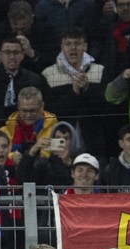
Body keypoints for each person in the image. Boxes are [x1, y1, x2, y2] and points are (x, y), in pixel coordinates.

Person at [41, 27, 108, 156]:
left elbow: (105, 110)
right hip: (58, 147)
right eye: (68, 44)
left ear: (85, 46)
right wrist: (73, 92)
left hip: (94, 147)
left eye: (77, 44)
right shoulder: (49, 74)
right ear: (62, 47)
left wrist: (88, 89)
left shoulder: (100, 71)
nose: (73, 48)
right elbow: (50, 113)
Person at [0, 86, 58, 159]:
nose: (28, 115)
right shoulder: (4, 132)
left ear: (42, 106)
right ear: (18, 106)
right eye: (24, 111)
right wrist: (12, 158)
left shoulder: (55, 131)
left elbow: (56, 158)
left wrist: (27, 157)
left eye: (33, 111)